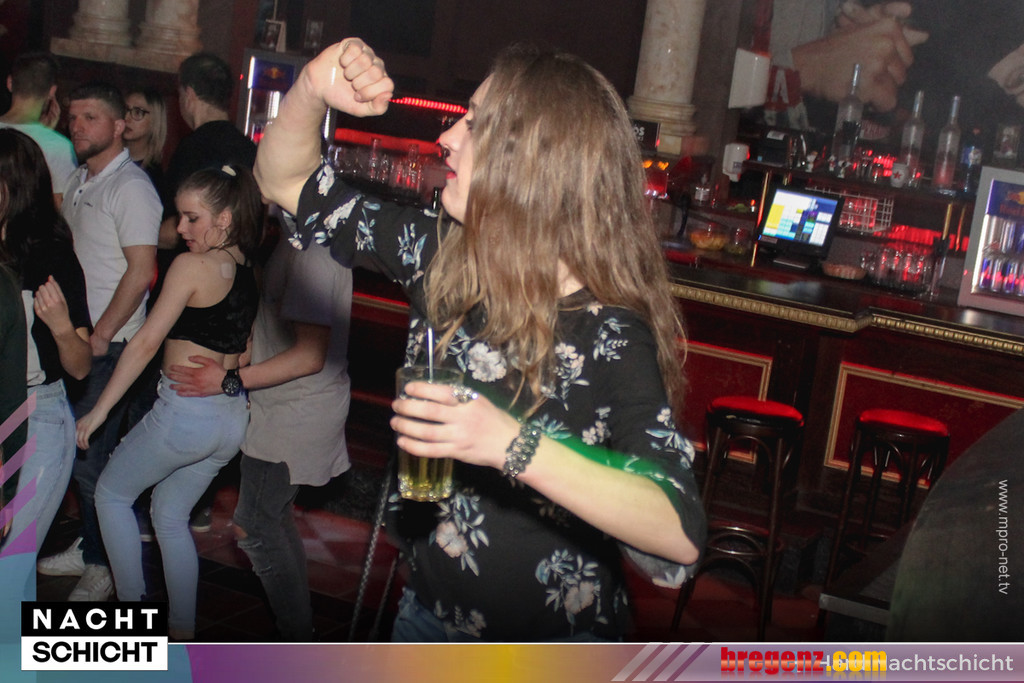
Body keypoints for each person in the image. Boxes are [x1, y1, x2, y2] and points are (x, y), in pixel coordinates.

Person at [255, 39, 706, 642]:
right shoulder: (439, 254)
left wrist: (509, 445)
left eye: (475, 123)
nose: (446, 137)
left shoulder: (610, 332)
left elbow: (678, 534)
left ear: (536, 162)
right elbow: (284, 180)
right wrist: (313, 85)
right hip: (424, 619)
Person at [77, 165, 262, 641]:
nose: (180, 229)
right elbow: (244, 353)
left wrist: (99, 411)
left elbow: (144, 342)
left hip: (185, 415)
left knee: (111, 495)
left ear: (224, 218)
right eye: (179, 217)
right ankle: (181, 632)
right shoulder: (247, 268)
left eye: (191, 218)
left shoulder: (190, 267)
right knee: (170, 516)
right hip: (229, 420)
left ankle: (131, 621)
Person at [166, 224, 353, 641]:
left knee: (256, 525)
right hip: (282, 406)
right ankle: (299, 634)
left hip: (297, 411)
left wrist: (228, 381)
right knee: (271, 521)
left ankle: (297, 641)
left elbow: (310, 355)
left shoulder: (312, 249)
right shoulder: (291, 237)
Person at [35, 82, 161, 602]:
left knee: (92, 461)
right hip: (81, 340)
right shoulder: (83, 178)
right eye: (73, 117)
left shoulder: (131, 187)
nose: (77, 126)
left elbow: (142, 270)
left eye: (90, 117)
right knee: (76, 453)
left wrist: (104, 333)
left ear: (119, 126)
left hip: (110, 347)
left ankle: (104, 564)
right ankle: (91, 546)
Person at [0, 129, 91, 584]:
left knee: (9, 567)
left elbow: (80, 365)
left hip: (38, 418)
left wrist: (60, 326)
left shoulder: (51, 256)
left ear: (15, 185)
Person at [0, 51, 78, 208]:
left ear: (9, 82)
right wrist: (47, 135)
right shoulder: (59, 147)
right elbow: (60, 206)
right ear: (52, 91)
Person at [123, 87, 167, 190]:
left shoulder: (154, 177)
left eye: (137, 112)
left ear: (155, 120)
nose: (126, 118)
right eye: (125, 109)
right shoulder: (107, 159)